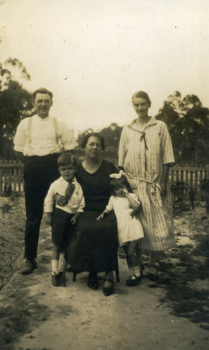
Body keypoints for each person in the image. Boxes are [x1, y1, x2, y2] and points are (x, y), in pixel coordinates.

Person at [14, 88, 75, 274]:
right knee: (33, 217)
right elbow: (18, 150)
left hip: (54, 172)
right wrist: (32, 165)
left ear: (51, 103)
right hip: (33, 172)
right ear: (34, 103)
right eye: (39, 101)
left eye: (46, 101)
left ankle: (68, 257)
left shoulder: (59, 124)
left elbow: (70, 148)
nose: (42, 104)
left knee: (62, 213)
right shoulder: (25, 124)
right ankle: (30, 259)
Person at [118, 90, 175, 281]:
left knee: (156, 226)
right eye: (136, 105)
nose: (140, 108)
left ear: (149, 104)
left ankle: (152, 264)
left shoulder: (160, 126)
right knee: (138, 226)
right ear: (133, 106)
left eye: (143, 104)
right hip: (133, 186)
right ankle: (140, 263)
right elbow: (121, 160)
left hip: (154, 185)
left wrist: (164, 184)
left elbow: (167, 158)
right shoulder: (128, 129)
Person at [59, 133, 119, 296]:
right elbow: (66, 189)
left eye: (97, 145)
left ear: (102, 148)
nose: (94, 147)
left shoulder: (109, 167)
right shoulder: (76, 168)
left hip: (105, 209)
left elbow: (120, 186)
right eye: (91, 144)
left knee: (107, 228)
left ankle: (108, 274)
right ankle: (92, 271)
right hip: (84, 210)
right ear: (84, 147)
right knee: (85, 228)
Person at [44, 151, 85, 287]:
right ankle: (54, 272)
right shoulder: (56, 185)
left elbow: (81, 203)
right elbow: (49, 199)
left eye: (70, 169)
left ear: (75, 169)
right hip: (60, 217)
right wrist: (48, 214)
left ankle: (63, 268)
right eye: (63, 169)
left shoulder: (77, 186)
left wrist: (77, 215)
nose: (67, 172)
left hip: (71, 218)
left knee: (67, 245)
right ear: (59, 170)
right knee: (57, 244)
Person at [97, 172, 144, 286]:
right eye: (117, 189)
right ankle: (132, 274)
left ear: (126, 187)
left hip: (133, 228)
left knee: (130, 252)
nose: (120, 190)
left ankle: (137, 273)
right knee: (127, 254)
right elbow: (108, 209)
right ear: (113, 191)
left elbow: (137, 206)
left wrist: (127, 195)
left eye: (122, 187)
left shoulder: (131, 196)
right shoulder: (113, 199)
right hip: (123, 230)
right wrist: (102, 214)